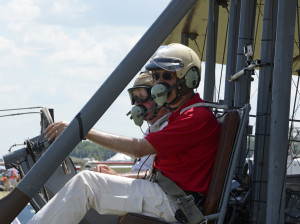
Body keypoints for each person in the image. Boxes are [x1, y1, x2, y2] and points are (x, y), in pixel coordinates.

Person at [29, 43, 221, 224]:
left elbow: (139, 149)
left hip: (175, 203)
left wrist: (82, 130)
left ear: (189, 78)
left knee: (87, 184)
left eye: (167, 76)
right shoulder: (182, 115)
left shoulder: (195, 116)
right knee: (87, 182)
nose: (159, 84)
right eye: (157, 77)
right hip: (168, 196)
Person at [93, 71, 170, 178]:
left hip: (149, 190)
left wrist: (118, 176)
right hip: (142, 188)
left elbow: (158, 176)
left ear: (158, 98)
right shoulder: (152, 129)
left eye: (141, 96)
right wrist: (115, 176)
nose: (136, 103)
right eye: (134, 97)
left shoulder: (167, 127)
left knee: (87, 179)